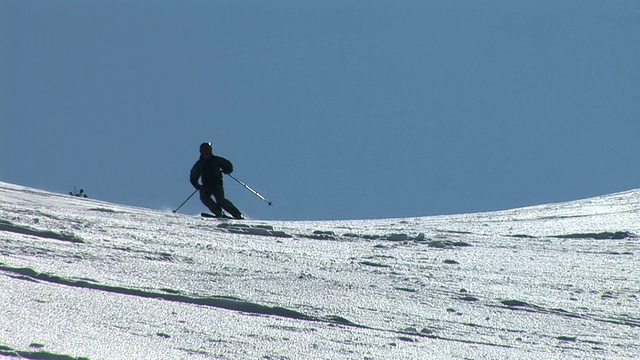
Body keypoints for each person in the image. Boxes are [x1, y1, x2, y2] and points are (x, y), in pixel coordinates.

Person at [190, 142, 244, 219]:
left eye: (207, 151)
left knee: (220, 200)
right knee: (204, 198)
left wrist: (227, 170)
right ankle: (218, 212)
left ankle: (237, 214)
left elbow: (228, 165)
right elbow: (193, 176)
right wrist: (197, 185)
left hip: (216, 184)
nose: (206, 153)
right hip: (206, 185)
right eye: (204, 151)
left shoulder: (216, 160)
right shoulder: (200, 164)